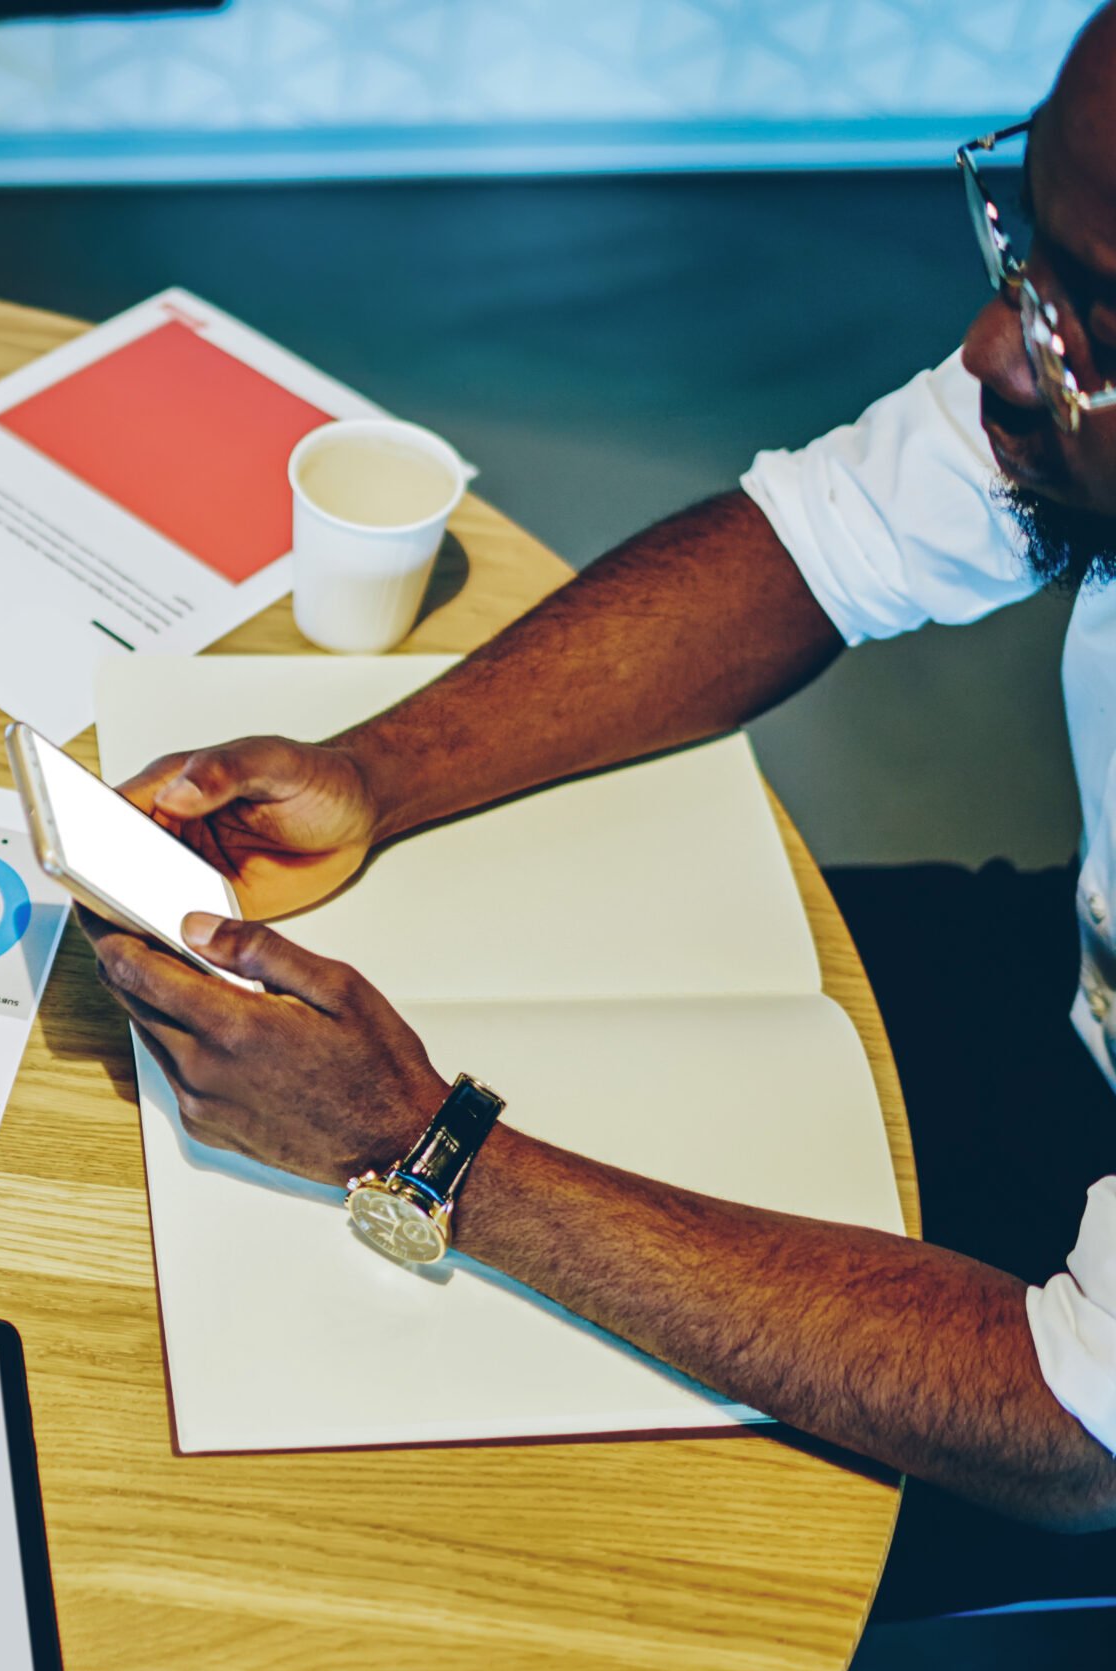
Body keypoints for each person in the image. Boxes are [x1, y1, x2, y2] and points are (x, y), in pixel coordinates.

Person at [89, 11, 1116, 1568]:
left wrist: (421, 1147)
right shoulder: (1050, 401)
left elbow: (1073, 1421)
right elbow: (819, 544)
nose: (994, 344)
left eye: (1087, 311)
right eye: (1024, 250)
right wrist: (378, 769)